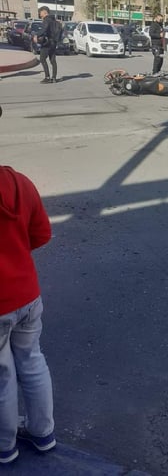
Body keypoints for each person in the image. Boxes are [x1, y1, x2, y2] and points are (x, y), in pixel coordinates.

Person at [0, 166, 55, 464]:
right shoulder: (19, 182)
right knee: (32, 360)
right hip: (27, 296)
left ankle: (4, 446)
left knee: (2, 375)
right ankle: (43, 433)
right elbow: (41, 234)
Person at [34, 6, 61, 84]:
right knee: (53, 60)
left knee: (42, 59)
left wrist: (37, 35)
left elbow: (44, 29)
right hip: (54, 43)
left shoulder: (46, 20)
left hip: (47, 43)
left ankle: (47, 77)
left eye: (40, 12)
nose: (39, 14)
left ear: (45, 12)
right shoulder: (54, 20)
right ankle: (54, 78)